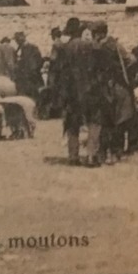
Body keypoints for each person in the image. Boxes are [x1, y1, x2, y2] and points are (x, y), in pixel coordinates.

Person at [56, 21, 98, 166]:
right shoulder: (90, 46)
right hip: (89, 90)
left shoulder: (64, 48)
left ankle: (73, 156)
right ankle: (91, 156)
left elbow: (59, 72)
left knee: (72, 123)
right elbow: (95, 69)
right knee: (93, 122)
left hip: (71, 91)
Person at [91, 22, 134, 164]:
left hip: (102, 87)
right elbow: (130, 60)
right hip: (118, 85)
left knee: (105, 121)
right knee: (120, 120)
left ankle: (103, 152)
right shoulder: (115, 45)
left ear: (98, 33)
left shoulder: (94, 47)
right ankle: (117, 152)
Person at [12, 31, 44, 100]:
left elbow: (37, 62)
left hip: (30, 78)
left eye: (17, 40)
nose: (16, 42)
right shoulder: (20, 49)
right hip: (25, 78)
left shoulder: (31, 48)